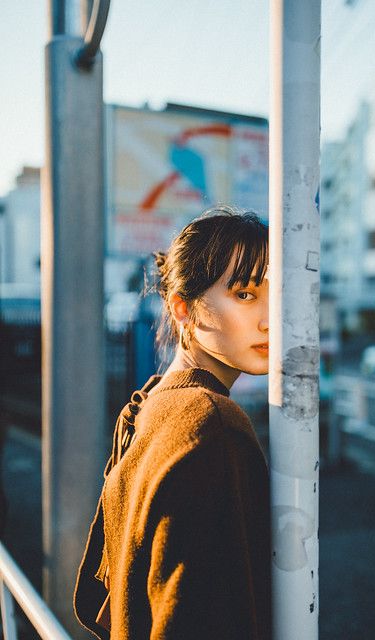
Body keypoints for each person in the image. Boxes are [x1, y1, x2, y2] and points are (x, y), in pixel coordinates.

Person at [74, 207, 271, 640]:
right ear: (183, 309)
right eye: (245, 294)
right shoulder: (213, 425)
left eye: (281, 295)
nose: (271, 319)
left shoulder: (147, 407)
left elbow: (98, 599)